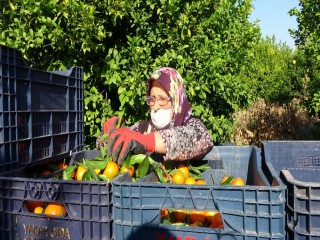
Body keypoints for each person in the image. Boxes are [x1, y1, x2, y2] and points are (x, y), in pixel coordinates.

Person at [97, 67, 213, 164]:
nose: (156, 106)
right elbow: (122, 140)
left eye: (162, 99)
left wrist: (149, 141)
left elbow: (201, 139)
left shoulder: (191, 124)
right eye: (152, 99)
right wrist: (109, 135)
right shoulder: (143, 128)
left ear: (177, 100)